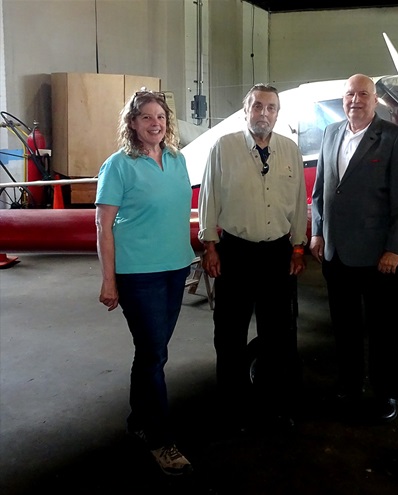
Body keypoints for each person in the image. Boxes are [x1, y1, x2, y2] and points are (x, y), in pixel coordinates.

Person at [96, 90, 195, 476]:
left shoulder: (177, 159)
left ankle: (139, 420)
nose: (155, 123)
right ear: (133, 124)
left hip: (175, 269)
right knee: (153, 353)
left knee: (154, 353)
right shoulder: (118, 165)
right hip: (138, 274)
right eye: (146, 117)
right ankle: (160, 439)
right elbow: (102, 225)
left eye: (161, 117)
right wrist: (109, 281)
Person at [197, 83, 307, 431]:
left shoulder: (289, 150)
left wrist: (299, 246)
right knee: (229, 334)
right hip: (236, 253)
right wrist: (209, 245)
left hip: (278, 253)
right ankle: (232, 408)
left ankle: (275, 405)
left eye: (271, 107)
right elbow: (209, 199)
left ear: (277, 113)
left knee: (279, 335)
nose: (264, 113)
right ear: (247, 111)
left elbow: (300, 201)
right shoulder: (224, 148)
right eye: (257, 106)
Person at [310, 74, 398, 423]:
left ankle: (386, 393)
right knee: (345, 328)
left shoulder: (394, 138)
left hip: (377, 256)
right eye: (350, 94)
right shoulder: (330, 133)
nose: (355, 100)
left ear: (375, 100)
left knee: (383, 329)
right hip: (335, 252)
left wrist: (395, 248)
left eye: (363, 94)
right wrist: (317, 232)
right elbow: (321, 191)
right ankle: (349, 386)